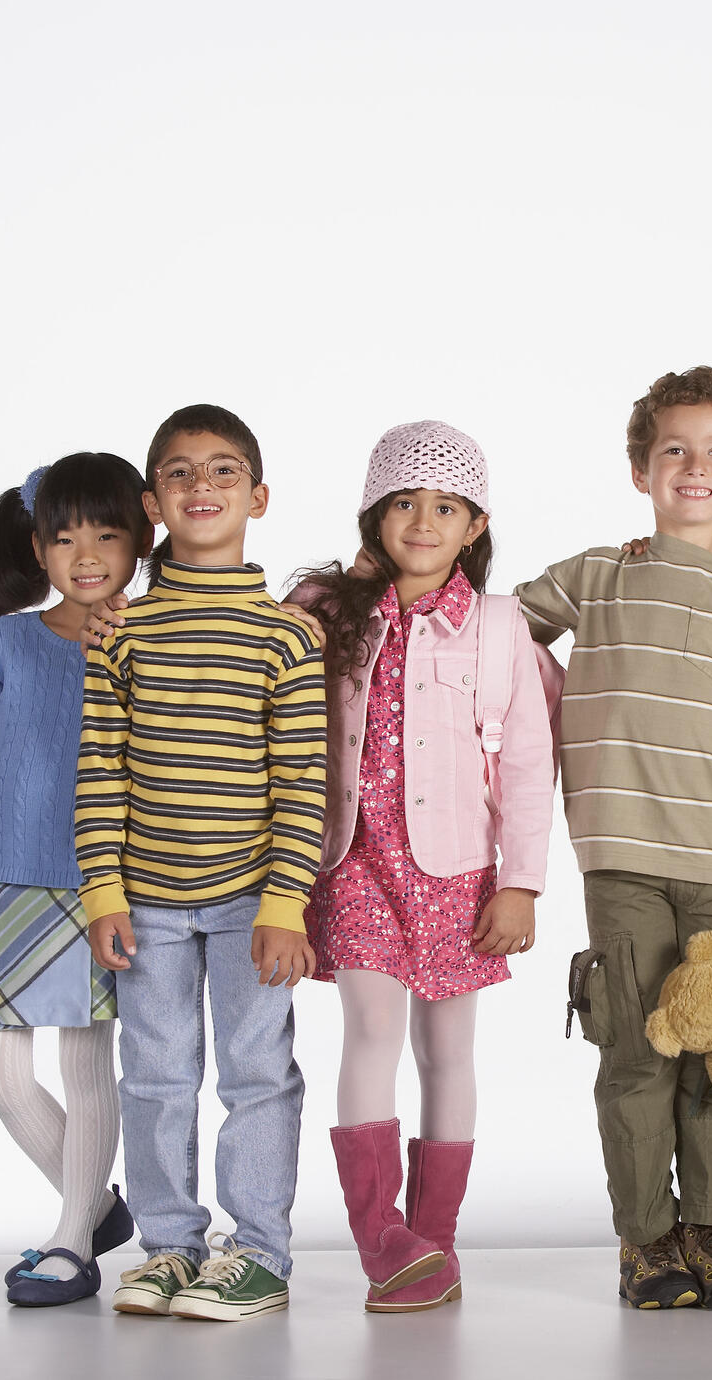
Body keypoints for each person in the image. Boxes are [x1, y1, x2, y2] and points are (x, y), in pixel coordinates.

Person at [518, 366, 712, 1312]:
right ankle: (646, 1239)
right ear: (642, 467)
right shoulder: (595, 574)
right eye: (674, 450)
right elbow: (487, 635)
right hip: (623, 861)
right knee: (638, 1052)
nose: (695, 466)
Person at [292, 421, 558, 1313]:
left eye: (445, 507)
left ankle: (432, 1244)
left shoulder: (497, 624)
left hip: (455, 871)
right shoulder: (328, 609)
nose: (422, 521)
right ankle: (380, 1240)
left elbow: (526, 760)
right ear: (374, 511)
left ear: (474, 525)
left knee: (448, 1051)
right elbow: (251, 655)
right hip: (353, 859)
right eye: (403, 502)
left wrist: (521, 881)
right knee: (369, 1027)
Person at [75, 404, 328, 1323]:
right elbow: (100, 766)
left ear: (258, 497)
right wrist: (104, 891)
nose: (202, 488)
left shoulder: (286, 638)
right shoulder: (125, 636)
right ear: (153, 504)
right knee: (154, 1075)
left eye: (223, 472)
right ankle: (169, 1249)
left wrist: (285, 903)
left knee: (257, 1073)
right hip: (144, 901)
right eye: (180, 474)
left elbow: (304, 779)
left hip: (252, 903)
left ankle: (258, 1252)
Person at [0, 451, 150, 1307]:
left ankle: (70, 1242)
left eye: (106, 533)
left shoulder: (147, 640)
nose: (85, 553)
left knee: (89, 1063)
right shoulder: (7, 640)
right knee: (1, 1076)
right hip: (9, 881)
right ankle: (96, 1207)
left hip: (105, 884)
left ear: (140, 539)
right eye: (63, 537)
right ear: (38, 548)